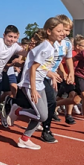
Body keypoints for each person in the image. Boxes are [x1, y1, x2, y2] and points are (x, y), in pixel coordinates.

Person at [4, 17, 64, 150]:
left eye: (63, 31)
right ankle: (17, 110)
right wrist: (33, 89)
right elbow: (32, 68)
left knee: (43, 114)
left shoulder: (50, 46)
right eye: (59, 31)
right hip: (31, 84)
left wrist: (51, 74)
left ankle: (25, 139)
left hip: (40, 83)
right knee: (42, 116)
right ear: (49, 31)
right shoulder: (45, 47)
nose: (62, 33)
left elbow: (41, 66)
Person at [40, 14, 74, 143]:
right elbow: (38, 62)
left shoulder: (67, 44)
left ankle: (46, 129)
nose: (65, 33)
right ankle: (45, 129)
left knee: (51, 102)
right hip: (41, 74)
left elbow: (68, 58)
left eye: (68, 30)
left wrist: (70, 72)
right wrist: (49, 73)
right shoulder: (48, 43)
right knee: (48, 102)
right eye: (63, 30)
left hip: (52, 75)